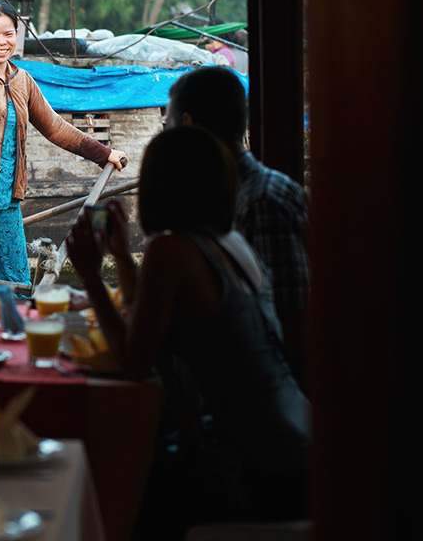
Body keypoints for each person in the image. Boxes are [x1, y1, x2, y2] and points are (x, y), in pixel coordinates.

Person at [66, 126, 310, 531]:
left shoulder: (171, 250)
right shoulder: (227, 241)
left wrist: (91, 275)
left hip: (258, 460)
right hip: (292, 429)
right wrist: (123, 258)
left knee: (123, 478)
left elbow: (134, 362)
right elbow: (147, 319)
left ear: (159, 188)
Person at [0, 1, 128, 284]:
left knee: (15, 282)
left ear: (17, 35)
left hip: (6, 198)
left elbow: (55, 128)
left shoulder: (22, 80)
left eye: (8, 34)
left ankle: (14, 327)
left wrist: (103, 153)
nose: (1, 42)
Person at [165, 66, 309, 383]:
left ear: (188, 126)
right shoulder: (227, 199)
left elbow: (288, 328)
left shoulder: (261, 203)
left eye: (168, 126)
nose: (164, 139)